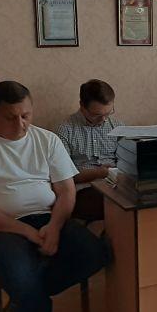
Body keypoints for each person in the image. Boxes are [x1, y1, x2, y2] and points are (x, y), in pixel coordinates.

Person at [0, 81, 108, 312]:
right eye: (11, 117)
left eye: (26, 116)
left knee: (96, 253)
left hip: (46, 217)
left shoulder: (47, 140)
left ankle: (24, 299)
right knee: (20, 272)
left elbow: (67, 191)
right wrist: (28, 232)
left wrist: (55, 227)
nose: (20, 125)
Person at [56, 79, 124, 221]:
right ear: (82, 106)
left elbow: (128, 161)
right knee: (114, 205)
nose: (104, 119)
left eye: (108, 113)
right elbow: (64, 176)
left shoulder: (117, 127)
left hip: (118, 186)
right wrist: (99, 173)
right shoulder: (65, 130)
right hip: (84, 190)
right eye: (97, 115)